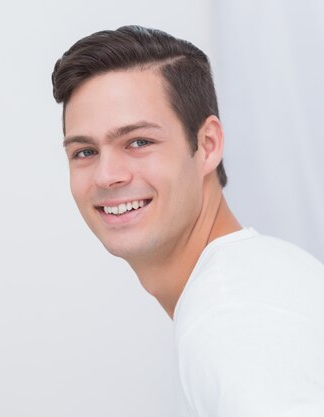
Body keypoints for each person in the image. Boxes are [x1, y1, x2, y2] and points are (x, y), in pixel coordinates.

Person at [51, 26, 324, 416]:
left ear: (208, 145)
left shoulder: (235, 316)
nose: (107, 175)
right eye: (84, 151)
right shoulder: (262, 275)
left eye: (138, 142)